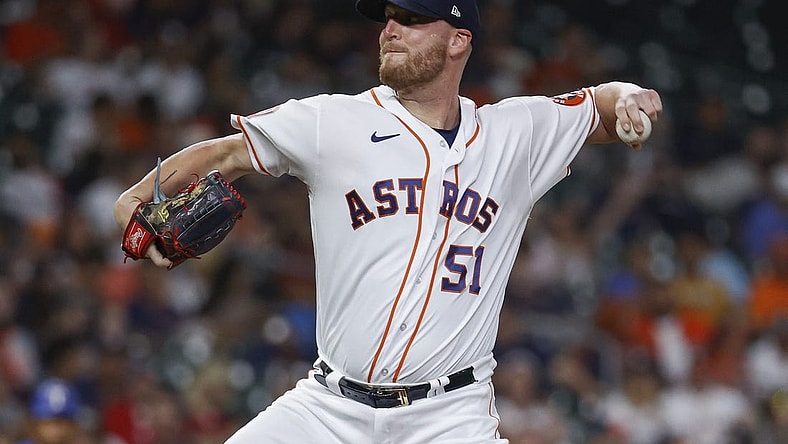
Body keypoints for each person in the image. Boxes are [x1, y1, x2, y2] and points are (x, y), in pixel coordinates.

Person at [113, 0, 663, 442]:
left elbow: (599, 104)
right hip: (328, 409)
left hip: (449, 417)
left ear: (458, 39)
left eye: (412, 18)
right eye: (388, 17)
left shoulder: (513, 133)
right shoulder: (335, 121)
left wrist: (631, 97)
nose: (391, 28)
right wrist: (133, 200)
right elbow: (224, 155)